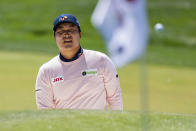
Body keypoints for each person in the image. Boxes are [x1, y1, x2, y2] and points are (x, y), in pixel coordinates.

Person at [35, 14, 123, 110]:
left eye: (71, 30)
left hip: (98, 124)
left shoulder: (101, 60)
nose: (66, 34)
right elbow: (45, 110)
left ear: (80, 34)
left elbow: (115, 98)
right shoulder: (46, 71)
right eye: (60, 31)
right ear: (54, 37)